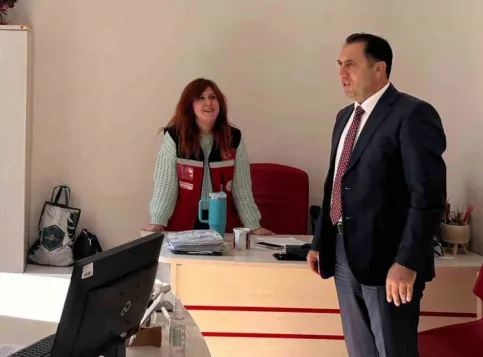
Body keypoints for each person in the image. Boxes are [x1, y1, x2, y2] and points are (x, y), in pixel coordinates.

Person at [307, 33, 446, 357]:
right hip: (343, 254)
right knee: (359, 350)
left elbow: (427, 196)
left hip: (390, 262)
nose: (341, 73)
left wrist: (406, 262)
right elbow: (335, 183)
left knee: (393, 350)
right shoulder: (344, 117)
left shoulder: (412, 114)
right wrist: (320, 241)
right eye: (340, 65)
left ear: (379, 68)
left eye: (351, 65)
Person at [143, 78, 273, 236]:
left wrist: (253, 226)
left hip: (222, 225)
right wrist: (157, 221)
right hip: (183, 227)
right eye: (200, 98)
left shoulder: (234, 138)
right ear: (190, 105)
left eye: (212, 97)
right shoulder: (174, 137)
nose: (208, 103)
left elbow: (241, 187)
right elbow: (165, 185)